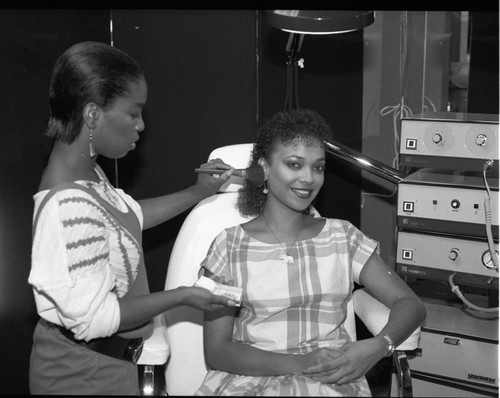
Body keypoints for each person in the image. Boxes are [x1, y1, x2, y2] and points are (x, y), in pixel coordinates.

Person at [28, 41, 237, 395]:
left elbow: (125, 217)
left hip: (106, 368)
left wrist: (197, 192)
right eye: (133, 113)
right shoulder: (67, 205)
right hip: (80, 379)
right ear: (92, 115)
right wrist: (184, 295)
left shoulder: (86, 172)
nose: (141, 125)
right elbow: (98, 319)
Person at [194, 109, 426, 396]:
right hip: (250, 380)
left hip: (331, 380)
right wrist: (300, 363)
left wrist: (378, 347)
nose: (308, 178)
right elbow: (217, 351)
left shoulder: (342, 237)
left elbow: (410, 303)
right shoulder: (229, 247)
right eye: (294, 164)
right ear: (264, 167)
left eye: (318, 167)